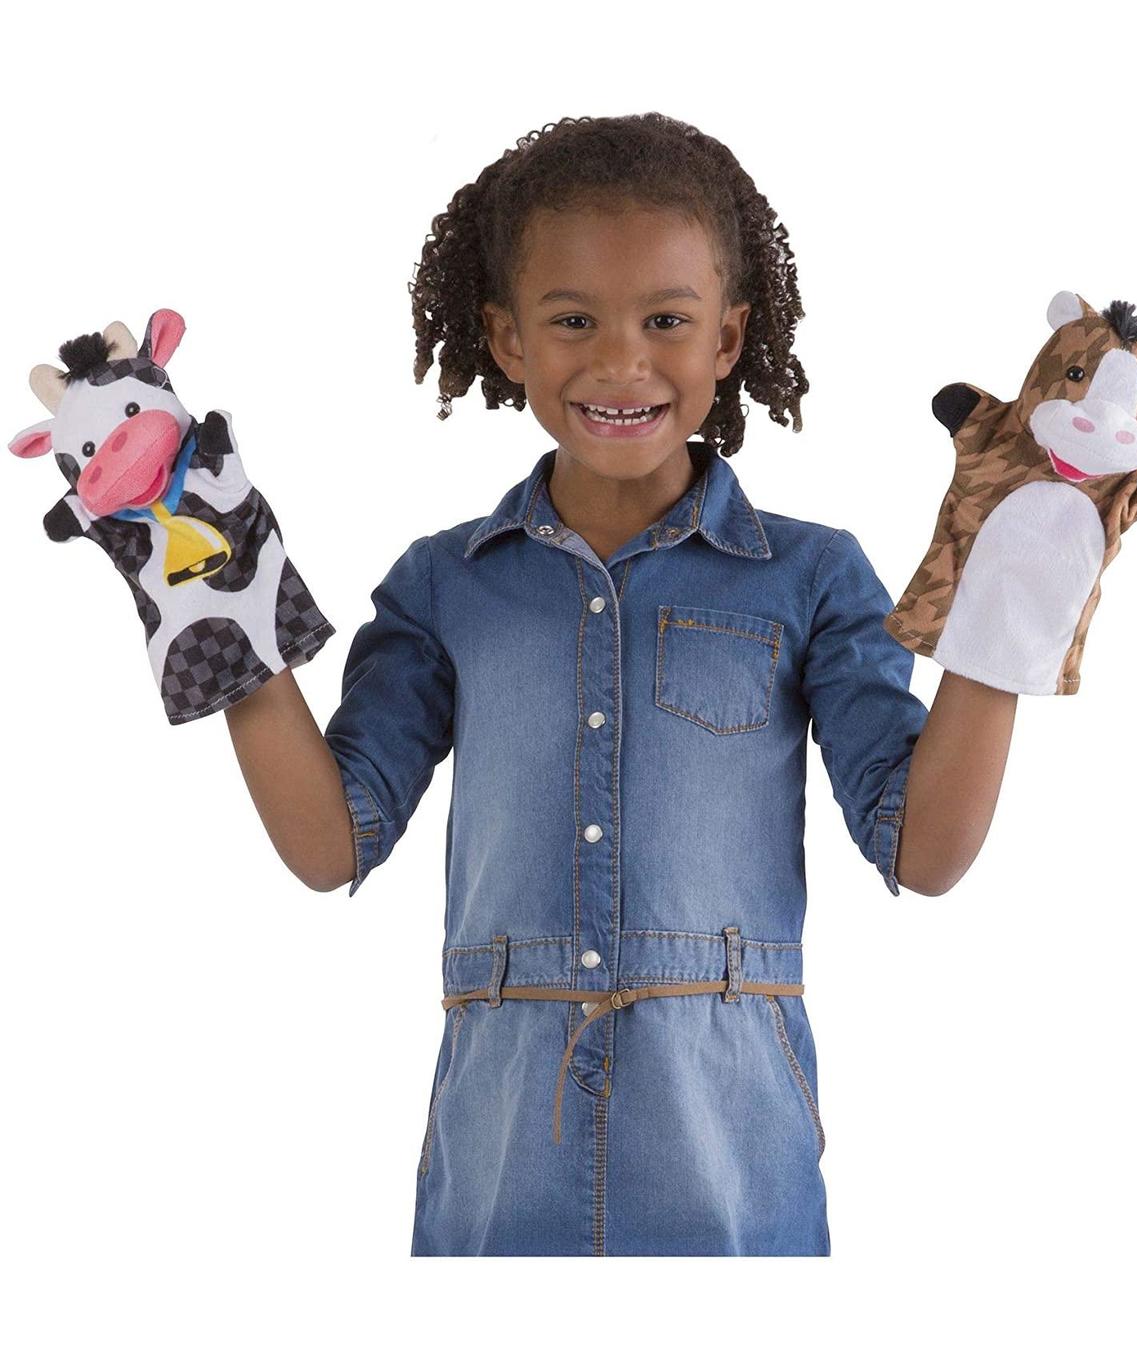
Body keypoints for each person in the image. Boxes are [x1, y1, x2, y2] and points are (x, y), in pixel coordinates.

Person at [225, 112, 1018, 1256]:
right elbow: (329, 844)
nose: (619, 362)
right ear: (506, 337)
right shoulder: (445, 584)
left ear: (730, 336)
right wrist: (217, 607)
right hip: (504, 1171)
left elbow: (924, 851)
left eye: (666, 320)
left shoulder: (809, 576)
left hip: (730, 1166)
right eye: (573, 320)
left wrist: (1007, 608)